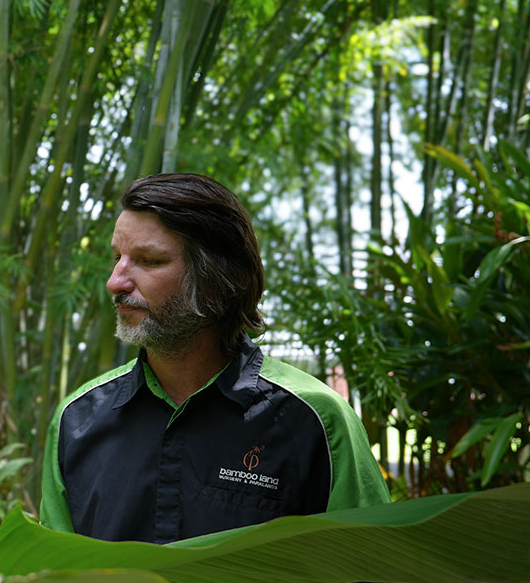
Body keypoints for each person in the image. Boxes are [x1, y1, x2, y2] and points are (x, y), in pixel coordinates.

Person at [38, 173, 388, 543]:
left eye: (149, 261)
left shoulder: (316, 422)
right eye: (117, 258)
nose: (115, 281)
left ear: (215, 277)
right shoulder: (77, 421)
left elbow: (370, 564)